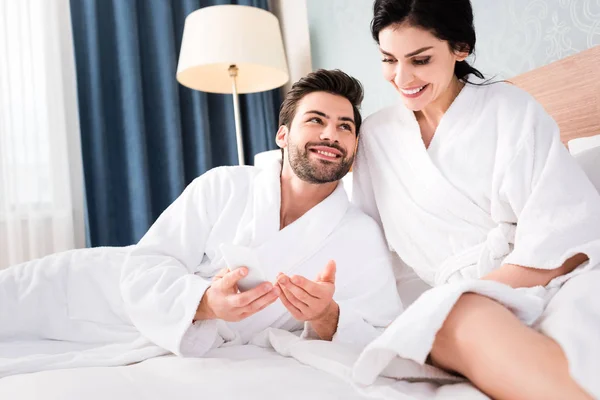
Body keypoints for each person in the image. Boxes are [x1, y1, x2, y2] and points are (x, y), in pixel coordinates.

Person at [0, 69, 402, 378]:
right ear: (282, 135)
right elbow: (148, 263)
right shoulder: (224, 184)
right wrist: (206, 303)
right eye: (316, 120)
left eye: (345, 127)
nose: (331, 134)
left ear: (354, 147)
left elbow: (384, 334)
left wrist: (325, 314)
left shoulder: (360, 237)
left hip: (198, 342)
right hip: (105, 291)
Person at [352, 0, 600, 399]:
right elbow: (367, 250)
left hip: (549, 282)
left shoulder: (511, 109)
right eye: (388, 59)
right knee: (452, 315)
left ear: (460, 47)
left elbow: (568, 237)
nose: (401, 77)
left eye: (420, 59)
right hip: (455, 307)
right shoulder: (377, 138)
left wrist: (481, 289)